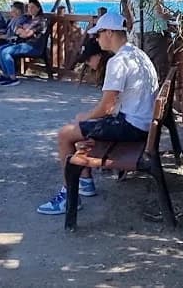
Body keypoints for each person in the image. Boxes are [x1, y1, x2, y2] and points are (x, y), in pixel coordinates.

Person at [36, 12, 158, 215]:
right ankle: (84, 182)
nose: (96, 38)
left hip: (132, 126)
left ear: (109, 32)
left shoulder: (118, 61)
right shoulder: (137, 54)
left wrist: (85, 117)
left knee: (66, 134)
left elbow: (107, 108)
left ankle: (69, 197)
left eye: (99, 33)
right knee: (85, 130)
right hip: (143, 124)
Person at [126, 0, 173, 80]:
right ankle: (157, 97)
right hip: (155, 29)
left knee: (141, 67)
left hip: (138, 29)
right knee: (157, 70)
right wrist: (170, 16)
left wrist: (136, 21)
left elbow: (130, 6)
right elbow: (159, 10)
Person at [0, 0, 48, 87]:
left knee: (6, 52)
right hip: (22, 44)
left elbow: (26, 34)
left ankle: (13, 78)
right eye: (29, 7)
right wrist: (22, 31)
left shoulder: (41, 21)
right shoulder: (28, 19)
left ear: (38, 8)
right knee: (0, 49)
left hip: (33, 46)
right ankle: (6, 75)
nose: (30, 9)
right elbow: (17, 29)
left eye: (33, 7)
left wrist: (23, 31)